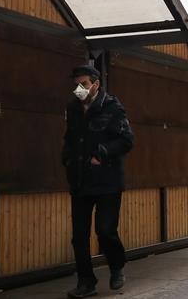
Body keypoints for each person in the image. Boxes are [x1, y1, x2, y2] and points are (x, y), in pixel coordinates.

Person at [62, 64, 135, 298]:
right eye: (76, 84)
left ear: (95, 84)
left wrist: (102, 153)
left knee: (105, 230)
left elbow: (126, 140)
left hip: (107, 181)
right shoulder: (73, 108)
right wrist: (67, 160)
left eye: (83, 84)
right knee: (79, 236)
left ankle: (117, 266)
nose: (79, 89)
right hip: (80, 180)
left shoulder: (112, 107)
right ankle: (86, 282)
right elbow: (69, 139)